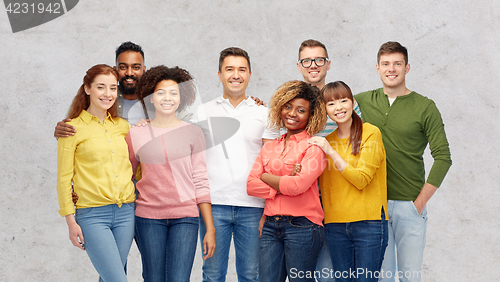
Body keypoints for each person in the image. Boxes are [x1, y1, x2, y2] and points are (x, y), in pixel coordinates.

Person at [355, 42, 452, 282]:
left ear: (407, 67)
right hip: (374, 207)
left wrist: (419, 202)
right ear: (377, 68)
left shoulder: (425, 107)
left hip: (409, 204)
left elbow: (443, 157)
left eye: (397, 63)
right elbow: (327, 105)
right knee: (382, 278)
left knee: (410, 276)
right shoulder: (361, 102)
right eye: (386, 64)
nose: (391, 69)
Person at [193, 47, 280, 282]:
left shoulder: (264, 113)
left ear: (250, 74)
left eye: (242, 69)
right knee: (212, 274)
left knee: (251, 275)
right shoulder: (202, 112)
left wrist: (268, 207)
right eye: (229, 69)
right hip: (214, 206)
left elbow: (272, 164)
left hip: (252, 207)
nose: (236, 75)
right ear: (219, 74)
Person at [126, 65, 215, 281]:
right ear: (151, 97)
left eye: (173, 92)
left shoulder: (193, 132)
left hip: (185, 217)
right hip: (148, 218)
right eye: (161, 92)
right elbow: (125, 175)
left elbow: (200, 180)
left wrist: (210, 228)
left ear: (181, 97)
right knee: (153, 278)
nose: (168, 98)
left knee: (179, 279)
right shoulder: (136, 132)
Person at [56, 64, 136, 281]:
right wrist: (71, 221)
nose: (108, 94)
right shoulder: (71, 128)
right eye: (101, 87)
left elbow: (134, 166)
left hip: (126, 213)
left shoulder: (122, 127)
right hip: (92, 216)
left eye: (113, 88)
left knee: (110, 277)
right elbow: (64, 178)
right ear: (88, 88)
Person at [247, 80, 328, 282]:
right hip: (270, 226)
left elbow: (298, 185)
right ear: (280, 108)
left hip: (303, 226)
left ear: (311, 115)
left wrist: (266, 177)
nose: (292, 113)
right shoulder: (269, 147)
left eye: (301, 110)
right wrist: (282, 184)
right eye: (288, 107)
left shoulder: (314, 148)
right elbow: (250, 185)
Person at [309, 81, 388, 281]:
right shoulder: (327, 141)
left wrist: (330, 151)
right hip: (335, 225)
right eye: (331, 104)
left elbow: (361, 179)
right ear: (325, 110)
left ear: (353, 103)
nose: (339, 108)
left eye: (343, 101)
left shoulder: (371, 133)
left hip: (369, 223)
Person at [54, 41, 191, 138]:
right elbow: (75, 127)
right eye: (123, 67)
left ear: (144, 70)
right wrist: (62, 130)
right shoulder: (103, 98)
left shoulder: (156, 97)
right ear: (115, 69)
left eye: (136, 67)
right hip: (113, 173)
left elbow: (184, 119)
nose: (130, 73)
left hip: (147, 173)